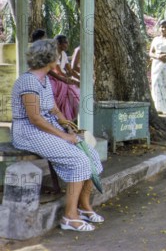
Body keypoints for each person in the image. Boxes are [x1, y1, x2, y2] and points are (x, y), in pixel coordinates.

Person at [11, 39, 104, 232]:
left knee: (91, 156)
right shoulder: (28, 81)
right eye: (56, 55)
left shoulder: (44, 79)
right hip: (29, 132)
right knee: (79, 161)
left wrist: (67, 126)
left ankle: (84, 206)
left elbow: (53, 109)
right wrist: (64, 137)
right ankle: (69, 217)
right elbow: (35, 118)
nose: (60, 57)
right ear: (49, 58)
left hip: (47, 127)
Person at [48, 35, 80, 121]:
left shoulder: (64, 54)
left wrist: (79, 78)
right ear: (58, 44)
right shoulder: (53, 54)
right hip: (54, 78)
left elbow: (70, 70)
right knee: (66, 87)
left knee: (73, 90)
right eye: (65, 42)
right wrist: (68, 79)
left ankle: (75, 117)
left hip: (63, 77)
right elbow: (59, 71)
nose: (67, 44)